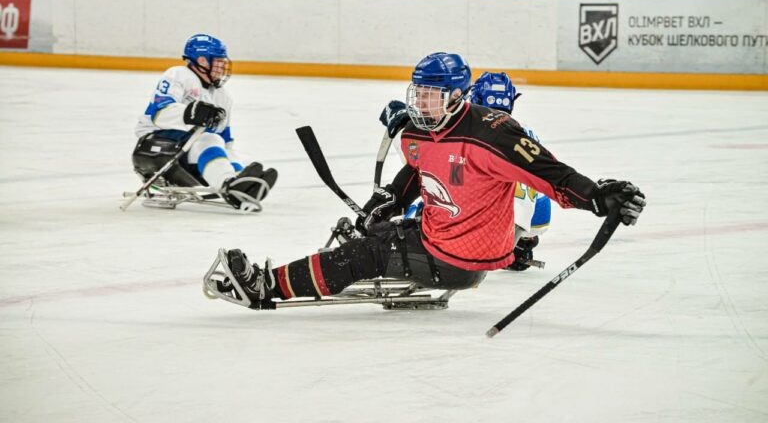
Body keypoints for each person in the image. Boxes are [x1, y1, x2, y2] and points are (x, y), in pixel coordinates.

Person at [217, 52, 645, 310]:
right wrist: (387, 202)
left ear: (456, 95)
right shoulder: (418, 133)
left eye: (430, 95)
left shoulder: (493, 133)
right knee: (380, 229)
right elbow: (418, 173)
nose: (420, 102)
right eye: (417, 93)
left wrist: (598, 197)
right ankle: (372, 245)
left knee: (368, 250)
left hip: (463, 256)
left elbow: (554, 176)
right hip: (439, 234)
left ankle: (264, 287)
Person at [380, 71, 551, 271]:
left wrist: (402, 123)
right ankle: (524, 244)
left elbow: (438, 169)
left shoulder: (473, 133)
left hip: (487, 228)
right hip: (537, 220)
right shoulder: (523, 131)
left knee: (436, 188)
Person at [132, 33, 277, 209]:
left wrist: (237, 167)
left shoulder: (223, 97)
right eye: (218, 62)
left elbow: (225, 142)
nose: (222, 67)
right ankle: (228, 186)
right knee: (209, 139)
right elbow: (159, 112)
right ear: (201, 60)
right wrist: (191, 113)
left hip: (188, 150)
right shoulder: (179, 74)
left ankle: (240, 185)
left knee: (237, 157)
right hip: (155, 146)